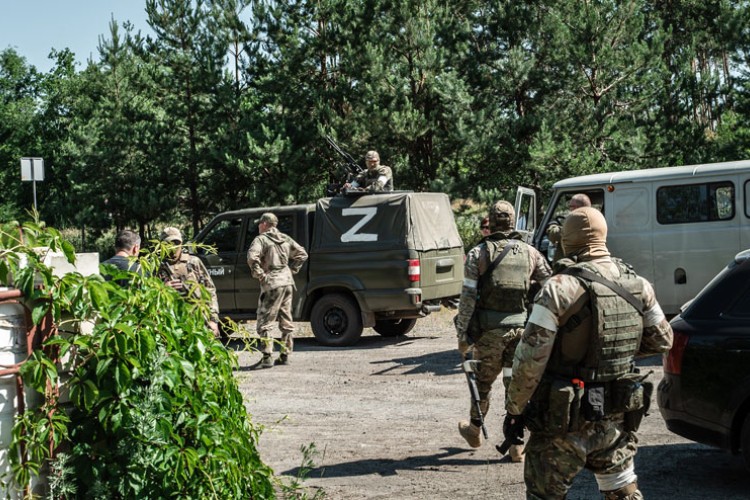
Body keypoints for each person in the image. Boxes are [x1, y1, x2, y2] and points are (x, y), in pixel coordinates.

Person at [503, 207, 673, 499]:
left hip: (562, 424)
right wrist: (613, 354)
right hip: (616, 420)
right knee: (622, 491)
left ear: (567, 241)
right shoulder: (639, 285)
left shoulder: (558, 288)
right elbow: (663, 340)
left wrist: (514, 409)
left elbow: (531, 360)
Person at [454, 200, 551, 461]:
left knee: (483, 383)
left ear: (491, 222)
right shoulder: (531, 253)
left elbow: (467, 299)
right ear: (513, 222)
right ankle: (516, 443)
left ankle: (474, 430)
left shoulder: (478, 254)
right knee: (515, 384)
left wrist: (462, 334)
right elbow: (549, 287)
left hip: (489, 333)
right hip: (521, 330)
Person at [247, 213, 309, 368]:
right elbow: (302, 254)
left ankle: (267, 356)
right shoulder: (285, 238)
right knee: (286, 319)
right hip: (287, 282)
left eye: (260, 223)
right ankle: (285, 354)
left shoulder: (261, 239)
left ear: (266, 224)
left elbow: (252, 257)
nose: (259, 226)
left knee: (265, 319)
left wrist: (261, 275)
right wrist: (291, 270)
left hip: (273, 283)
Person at [158, 227, 220, 338]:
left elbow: (209, 290)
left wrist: (213, 320)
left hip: (199, 320)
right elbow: (149, 294)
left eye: (176, 243)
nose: (173, 247)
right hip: (172, 324)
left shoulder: (193, 262)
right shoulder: (157, 266)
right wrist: (163, 288)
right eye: (169, 243)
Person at [547, 193, 592, 262]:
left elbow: (554, 234)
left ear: (576, 207)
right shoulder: (592, 219)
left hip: (572, 263)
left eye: (571, 206)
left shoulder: (578, 220)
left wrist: (552, 226)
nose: (570, 209)